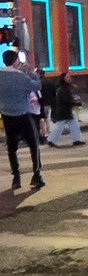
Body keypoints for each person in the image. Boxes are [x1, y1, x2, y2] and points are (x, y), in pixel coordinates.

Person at [0, 50, 44, 190]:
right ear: (15, 61)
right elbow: (37, 85)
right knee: (33, 144)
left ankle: (16, 177)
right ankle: (36, 175)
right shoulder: (21, 76)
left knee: (12, 147)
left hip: (7, 115)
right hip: (23, 115)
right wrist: (30, 72)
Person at [47, 70, 86, 146]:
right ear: (63, 79)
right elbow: (66, 100)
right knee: (59, 126)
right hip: (63, 111)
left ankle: (77, 140)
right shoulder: (63, 89)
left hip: (66, 110)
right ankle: (51, 140)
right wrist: (77, 103)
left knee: (74, 125)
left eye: (69, 77)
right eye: (67, 77)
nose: (69, 78)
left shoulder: (64, 88)